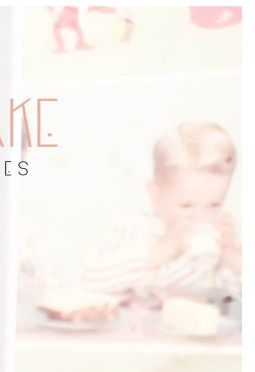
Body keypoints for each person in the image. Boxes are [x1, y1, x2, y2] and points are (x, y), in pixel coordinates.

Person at [83, 122, 241, 303]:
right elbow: (91, 280)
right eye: (186, 206)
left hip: (202, 321)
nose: (200, 216)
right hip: (141, 321)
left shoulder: (224, 240)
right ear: (155, 196)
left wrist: (234, 259)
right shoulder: (135, 231)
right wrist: (160, 250)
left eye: (214, 205)